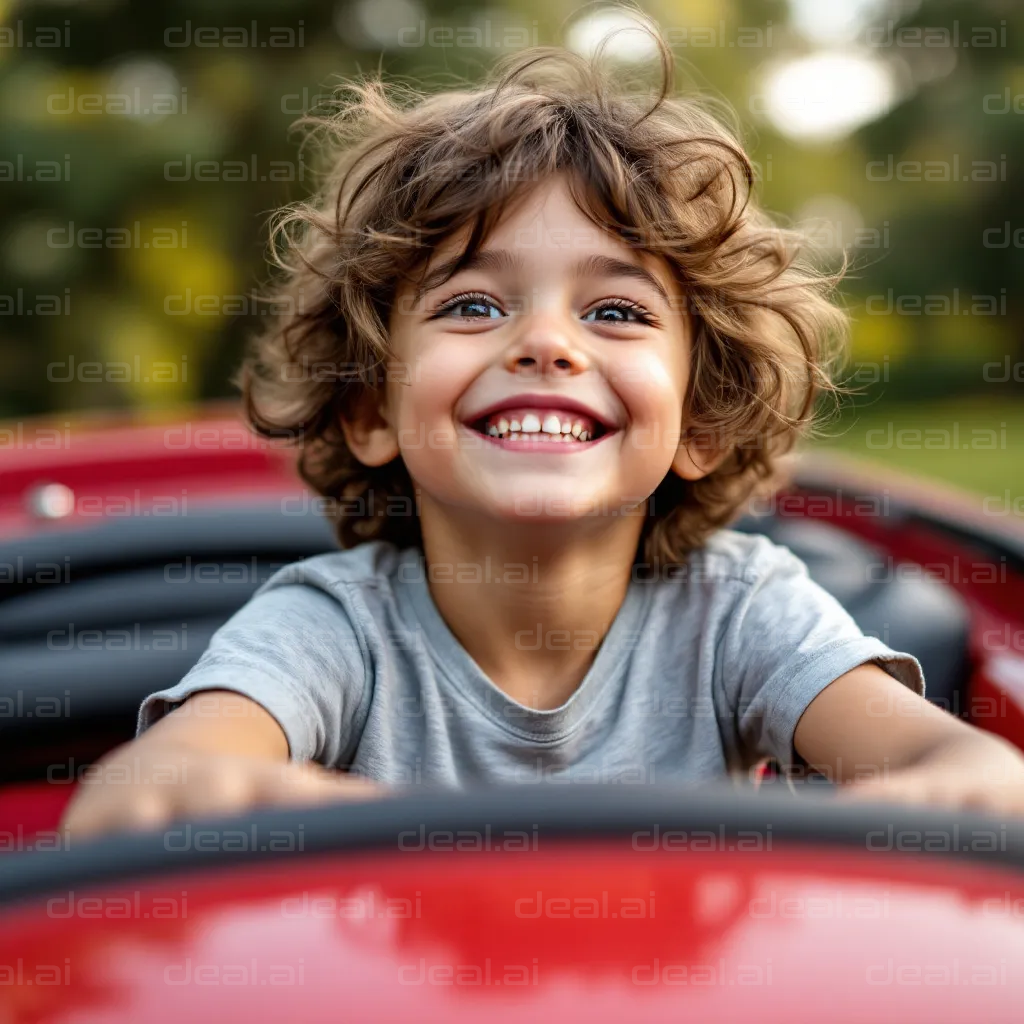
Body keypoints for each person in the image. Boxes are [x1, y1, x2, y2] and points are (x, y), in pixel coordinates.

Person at [64, 35, 1024, 837]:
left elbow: (965, 769)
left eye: (614, 311)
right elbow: (132, 798)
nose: (546, 343)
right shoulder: (332, 628)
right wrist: (221, 789)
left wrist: (949, 789)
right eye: (474, 303)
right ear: (368, 409)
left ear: (699, 423)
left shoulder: (742, 612)